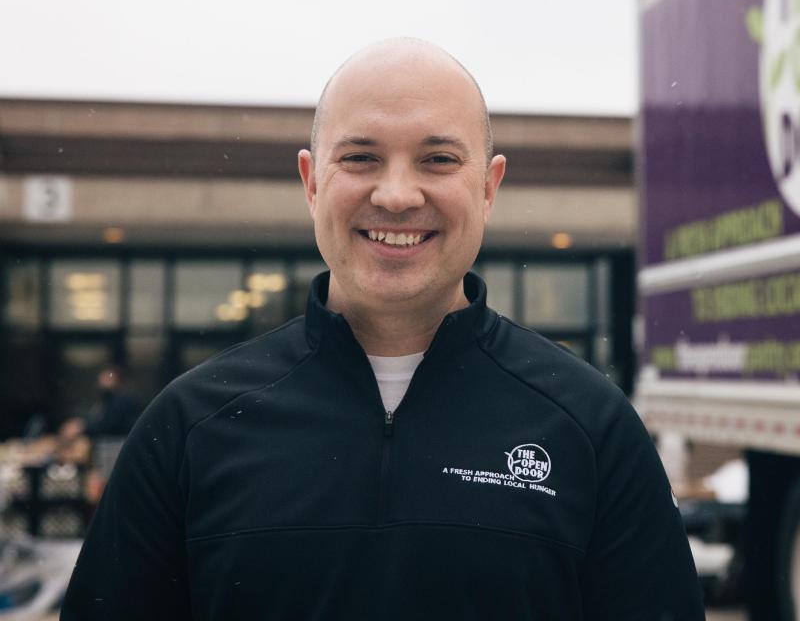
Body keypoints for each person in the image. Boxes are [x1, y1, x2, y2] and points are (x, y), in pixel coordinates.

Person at [62, 38, 704, 619]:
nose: (397, 195)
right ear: (313, 183)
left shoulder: (591, 427)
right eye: (362, 157)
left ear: (489, 186)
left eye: (438, 159)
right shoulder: (190, 428)